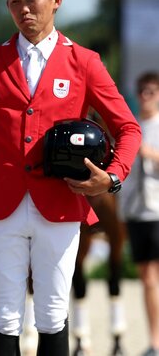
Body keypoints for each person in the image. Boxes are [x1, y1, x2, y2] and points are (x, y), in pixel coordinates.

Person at [0, 0, 142, 356]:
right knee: (5, 315)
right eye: (13, 1)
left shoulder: (85, 62)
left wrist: (111, 178)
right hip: (0, 208)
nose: (23, 9)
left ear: (55, 0)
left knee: (53, 314)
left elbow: (129, 128)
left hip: (60, 204)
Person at [120, 72, 159, 356]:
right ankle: (154, 341)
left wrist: (151, 154)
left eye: (151, 92)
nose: (145, 97)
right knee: (146, 276)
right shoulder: (130, 126)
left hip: (158, 207)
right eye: (142, 91)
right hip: (135, 208)